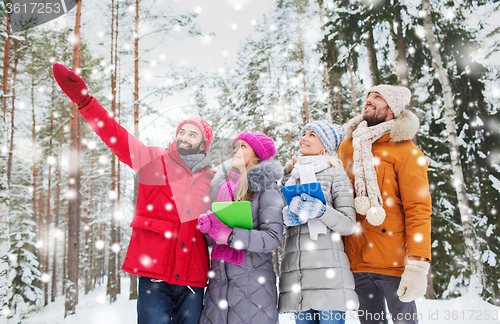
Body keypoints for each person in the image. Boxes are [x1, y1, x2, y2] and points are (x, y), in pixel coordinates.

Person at [52, 63, 214, 324]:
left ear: (204, 143)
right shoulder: (154, 160)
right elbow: (115, 135)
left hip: (192, 279)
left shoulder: (211, 179)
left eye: (192, 133)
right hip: (154, 274)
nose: (184, 136)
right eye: (181, 131)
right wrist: (85, 102)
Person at [337, 85, 432, 324]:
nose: (369, 100)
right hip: (356, 260)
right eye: (368, 96)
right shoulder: (349, 146)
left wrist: (417, 265)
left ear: (392, 108)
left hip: (393, 263)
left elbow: (418, 210)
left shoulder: (406, 151)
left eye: (377, 97)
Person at [197, 132, 284, 324]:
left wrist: (230, 236)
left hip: (253, 283)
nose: (236, 151)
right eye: (235, 147)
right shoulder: (222, 188)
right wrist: (210, 227)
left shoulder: (267, 187)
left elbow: (272, 238)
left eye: (243, 146)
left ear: (257, 154)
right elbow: (216, 239)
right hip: (219, 281)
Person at [278, 121, 359, 324]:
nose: (304, 137)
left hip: (329, 275)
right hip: (297, 276)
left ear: (325, 144)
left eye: (312, 134)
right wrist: (286, 218)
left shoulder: (336, 175)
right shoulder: (289, 177)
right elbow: (274, 222)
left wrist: (320, 211)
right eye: (304, 133)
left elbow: (349, 225)